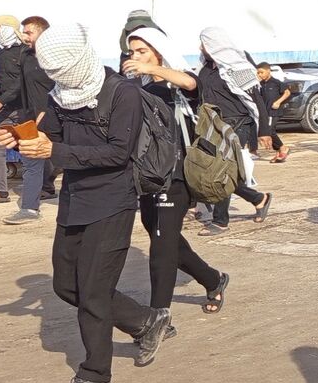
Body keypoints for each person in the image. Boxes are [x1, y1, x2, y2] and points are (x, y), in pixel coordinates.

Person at [0, 25, 172, 383]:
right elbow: (51, 135)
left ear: (79, 60)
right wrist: (20, 136)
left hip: (113, 201)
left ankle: (94, 373)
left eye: (62, 70)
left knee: (93, 290)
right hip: (75, 199)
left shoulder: (123, 94)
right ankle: (146, 321)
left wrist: (54, 152)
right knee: (66, 286)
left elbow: (117, 154)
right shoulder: (61, 94)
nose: (58, 79)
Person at [122, 23, 228, 321]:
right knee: (163, 239)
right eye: (132, 52)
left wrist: (153, 70)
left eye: (143, 51)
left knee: (161, 247)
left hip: (178, 176)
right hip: (147, 177)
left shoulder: (177, 84)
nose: (136, 57)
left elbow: (191, 84)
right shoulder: (134, 87)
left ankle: (158, 318)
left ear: (160, 52)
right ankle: (212, 279)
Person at [196, 27, 272, 234]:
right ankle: (259, 198)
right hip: (214, 126)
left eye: (203, 43)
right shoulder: (205, 69)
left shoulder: (237, 68)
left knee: (223, 171)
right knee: (217, 171)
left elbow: (257, 101)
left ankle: (220, 221)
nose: (200, 48)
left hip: (238, 124)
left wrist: (264, 130)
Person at [2, 16, 54, 225]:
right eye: (23, 32)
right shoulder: (25, 55)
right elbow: (22, 87)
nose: (25, 37)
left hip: (54, 115)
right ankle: (30, 208)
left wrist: (46, 112)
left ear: (43, 33)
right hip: (31, 117)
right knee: (31, 160)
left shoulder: (53, 56)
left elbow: (59, 88)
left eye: (29, 32)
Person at [0, 15, 24, 204]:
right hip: (4, 109)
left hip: (23, 108)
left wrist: (0, 100)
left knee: (32, 147)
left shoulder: (25, 52)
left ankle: (47, 184)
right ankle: (0, 191)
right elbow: (2, 81)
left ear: (9, 29)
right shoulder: (0, 53)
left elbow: (22, 83)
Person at [255, 63, 292, 163]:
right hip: (265, 113)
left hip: (273, 111)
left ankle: (283, 148)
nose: (260, 74)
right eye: (258, 73)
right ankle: (279, 152)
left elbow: (287, 92)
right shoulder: (260, 85)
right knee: (268, 131)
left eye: (261, 72)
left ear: (268, 71)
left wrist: (278, 102)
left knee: (269, 131)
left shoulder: (276, 82)